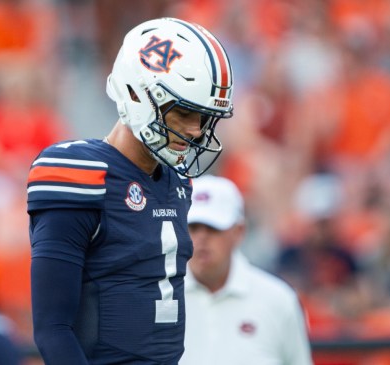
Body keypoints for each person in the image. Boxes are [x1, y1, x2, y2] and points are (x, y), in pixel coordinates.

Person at [26, 18, 234, 364]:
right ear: (136, 93)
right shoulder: (79, 172)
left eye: (204, 117)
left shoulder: (177, 182)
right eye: (184, 112)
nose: (196, 131)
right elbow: (52, 328)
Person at [180, 175, 313, 365]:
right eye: (193, 227)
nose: (201, 238)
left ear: (239, 231)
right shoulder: (160, 297)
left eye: (213, 228)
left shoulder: (278, 300)